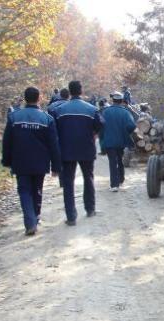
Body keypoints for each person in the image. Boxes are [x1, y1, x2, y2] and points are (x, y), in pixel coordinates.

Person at [1, 87, 62, 236]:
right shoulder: (47, 119)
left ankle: (30, 221)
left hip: (20, 161)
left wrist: (7, 160)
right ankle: (34, 217)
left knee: (24, 191)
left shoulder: (14, 117)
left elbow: (7, 141)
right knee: (37, 190)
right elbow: (54, 145)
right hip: (40, 162)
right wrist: (56, 166)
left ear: (25, 98)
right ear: (39, 98)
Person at [52, 81, 103, 225]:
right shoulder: (91, 109)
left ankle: (71, 216)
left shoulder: (59, 110)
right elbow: (100, 125)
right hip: (86, 148)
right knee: (88, 178)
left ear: (70, 91)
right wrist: (92, 134)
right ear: (81, 91)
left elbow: (54, 130)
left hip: (66, 150)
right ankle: (90, 209)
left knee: (68, 182)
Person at [100, 92, 136, 191]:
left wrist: (103, 138)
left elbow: (101, 126)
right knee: (119, 159)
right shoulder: (126, 112)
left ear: (113, 100)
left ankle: (114, 185)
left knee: (112, 162)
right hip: (121, 141)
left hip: (109, 142)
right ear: (121, 101)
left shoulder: (105, 112)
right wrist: (125, 132)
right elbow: (132, 126)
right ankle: (121, 179)